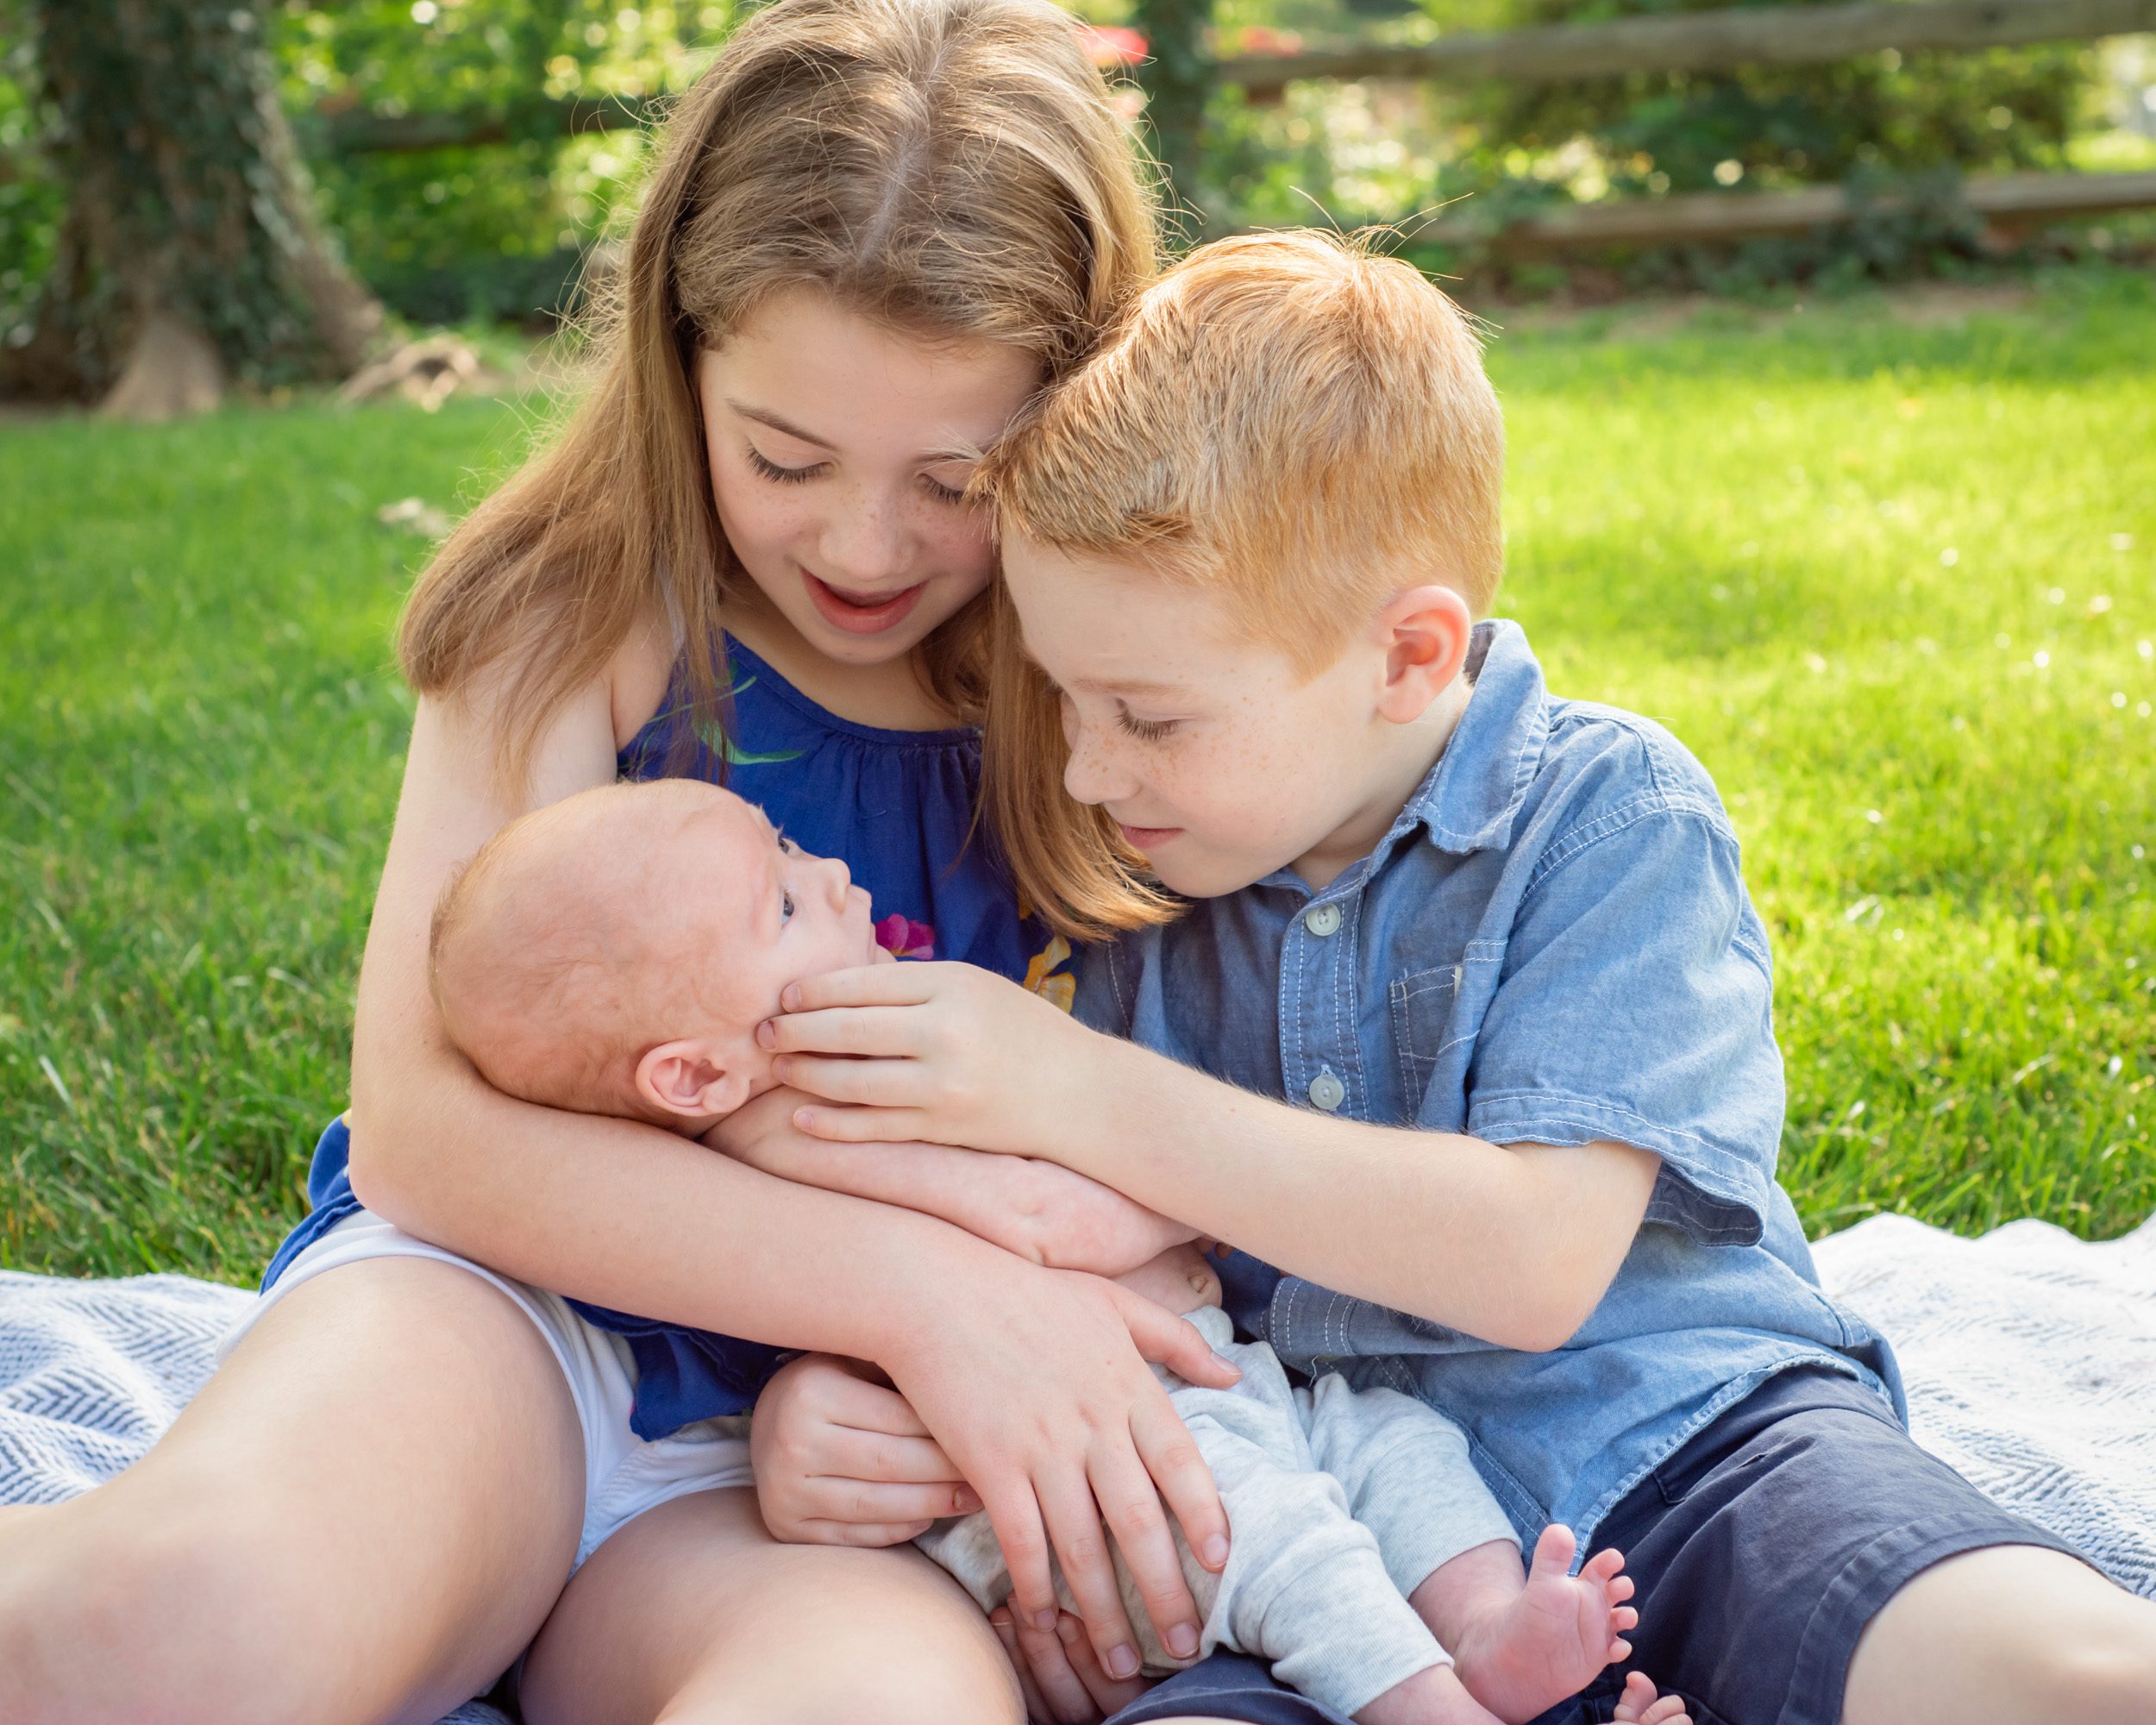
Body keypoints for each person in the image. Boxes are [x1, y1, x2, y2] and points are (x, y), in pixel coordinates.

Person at [0, 4, 1257, 1720]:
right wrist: (921, 1294)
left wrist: (918, 1370)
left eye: (960, 477)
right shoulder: (581, 616)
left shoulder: (1124, 697)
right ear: (680, 365)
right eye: (784, 457)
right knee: (183, 1622)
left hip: (828, 1487)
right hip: (504, 1333)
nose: (865, 544)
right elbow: (426, 1133)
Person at [753, 229, 2156, 1725]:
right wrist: (840, 1406)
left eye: (1148, 716)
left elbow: (1532, 1262)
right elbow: (1017, 1242)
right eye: (1064, 698)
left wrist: (1081, 1092)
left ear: (1409, 657)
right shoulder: (1131, 878)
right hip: (1305, 1552)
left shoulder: (1605, 815)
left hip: (1682, 1442)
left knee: (2035, 1671)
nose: (1089, 769)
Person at [417, 775, 1686, 1725]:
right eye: (790, 898)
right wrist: (1194, 1202)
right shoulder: (805, 1126)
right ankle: (1440, 1708)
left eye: (797, 846)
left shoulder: (828, 1088)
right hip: (1103, 1460)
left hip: (1202, 1397)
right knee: (1292, 1548)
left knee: (1393, 1442)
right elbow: (1042, 1219)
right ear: (696, 1072)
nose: (842, 879)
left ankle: (1480, 1625)